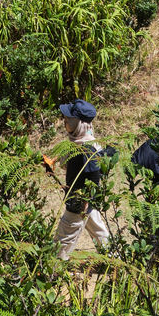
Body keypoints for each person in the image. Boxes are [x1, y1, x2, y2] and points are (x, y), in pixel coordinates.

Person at [53, 99, 111, 260]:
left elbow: (94, 176)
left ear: (79, 123)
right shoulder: (80, 144)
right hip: (84, 200)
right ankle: (114, 259)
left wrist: (83, 202)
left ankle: (53, 268)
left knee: (65, 234)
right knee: (97, 228)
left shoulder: (86, 149)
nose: (65, 122)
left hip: (79, 201)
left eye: (68, 119)